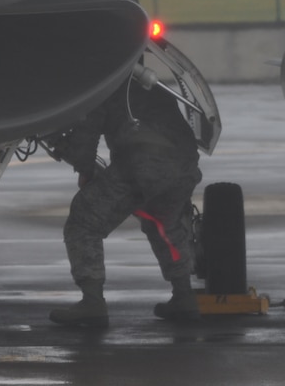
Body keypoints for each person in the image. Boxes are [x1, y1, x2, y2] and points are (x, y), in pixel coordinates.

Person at [47, 75, 202, 327]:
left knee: (84, 221)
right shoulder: (151, 86)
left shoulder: (102, 86)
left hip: (144, 164)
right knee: (165, 224)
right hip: (184, 167)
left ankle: (92, 302)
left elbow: (84, 146)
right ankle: (184, 296)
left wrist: (75, 160)